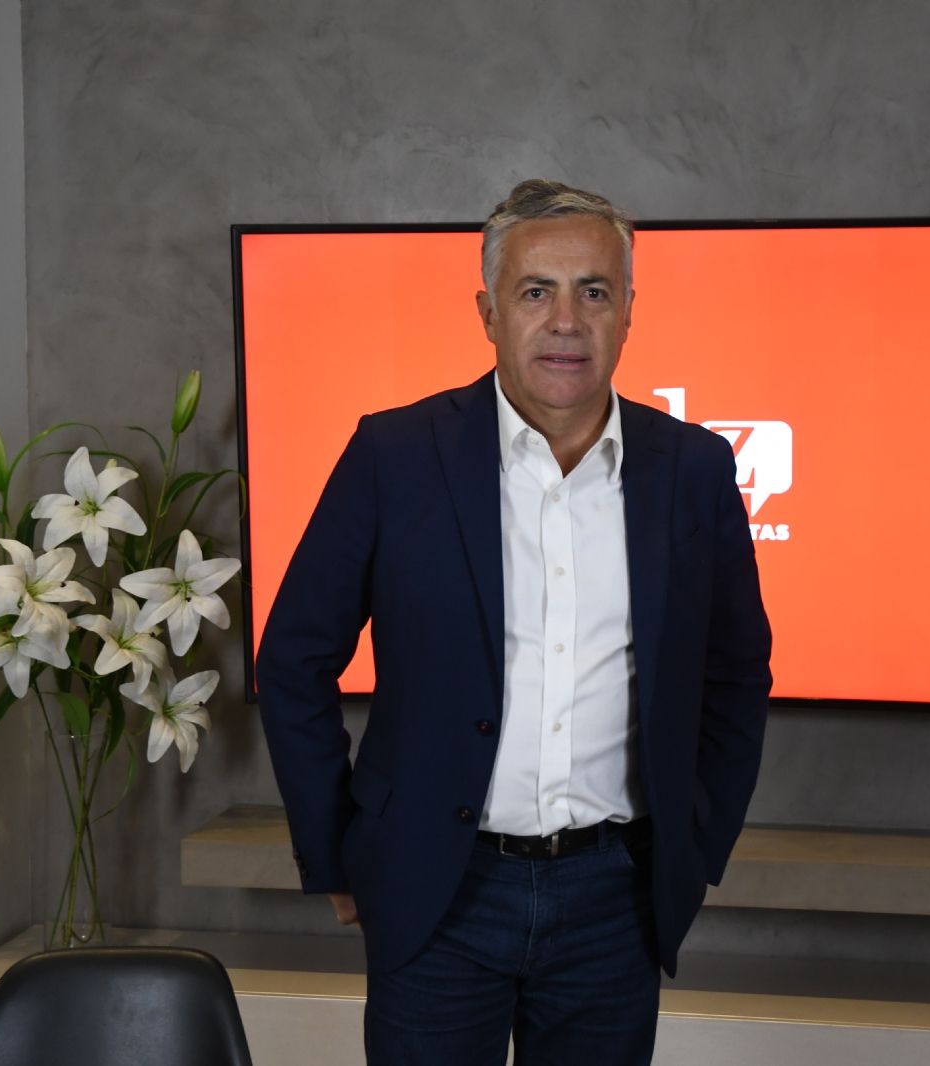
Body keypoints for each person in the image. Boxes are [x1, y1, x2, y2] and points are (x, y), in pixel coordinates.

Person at [257, 178, 772, 1065]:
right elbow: (293, 660)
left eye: (594, 291)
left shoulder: (693, 469)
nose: (566, 321)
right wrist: (338, 855)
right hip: (436, 891)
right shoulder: (393, 455)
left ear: (629, 311)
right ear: (488, 312)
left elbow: (736, 674)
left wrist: (694, 847)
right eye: (537, 291)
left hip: (615, 902)